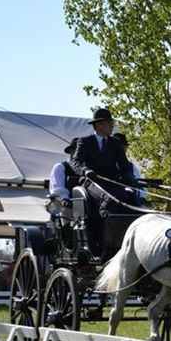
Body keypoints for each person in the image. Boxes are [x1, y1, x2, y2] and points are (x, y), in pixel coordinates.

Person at [69, 108, 138, 254]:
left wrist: (128, 176)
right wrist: (85, 171)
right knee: (110, 199)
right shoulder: (85, 141)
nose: (112, 126)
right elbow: (76, 162)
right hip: (91, 183)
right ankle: (103, 242)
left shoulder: (116, 144)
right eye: (109, 123)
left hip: (111, 183)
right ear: (99, 125)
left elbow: (125, 165)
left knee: (130, 198)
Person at [112, 132, 148, 204]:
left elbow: (141, 185)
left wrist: (142, 198)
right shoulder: (106, 165)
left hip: (132, 200)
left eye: (123, 148)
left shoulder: (131, 166)